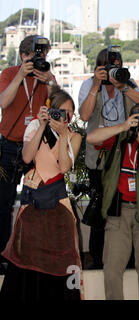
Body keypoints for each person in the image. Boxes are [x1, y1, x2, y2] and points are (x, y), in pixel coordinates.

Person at [0, 85, 82, 300]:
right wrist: (42, 125)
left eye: (70, 113)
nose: (65, 117)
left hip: (58, 203)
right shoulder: (36, 126)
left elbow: (64, 167)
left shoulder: (74, 136)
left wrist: (63, 134)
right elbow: (27, 157)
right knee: (28, 259)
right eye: (61, 112)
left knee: (61, 260)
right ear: (50, 109)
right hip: (31, 202)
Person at [78, 47, 139, 269]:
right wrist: (97, 86)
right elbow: (84, 115)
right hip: (98, 157)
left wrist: (123, 86)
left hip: (124, 157)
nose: (112, 72)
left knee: (124, 209)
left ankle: (126, 260)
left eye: (116, 67)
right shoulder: (89, 84)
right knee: (101, 208)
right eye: (107, 68)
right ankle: (98, 260)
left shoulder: (127, 83)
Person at [86, 103, 139, 300]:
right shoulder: (118, 136)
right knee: (112, 268)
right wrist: (123, 127)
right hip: (118, 210)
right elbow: (91, 137)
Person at [0, 35, 55, 275]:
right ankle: (3, 254)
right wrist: (21, 75)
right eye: (35, 56)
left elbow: (59, 108)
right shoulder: (9, 73)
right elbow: (3, 102)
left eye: (43, 56)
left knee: (36, 203)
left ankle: (33, 255)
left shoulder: (45, 77)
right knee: (3, 204)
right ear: (24, 56)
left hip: (36, 147)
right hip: (9, 146)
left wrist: (51, 82)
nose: (40, 60)